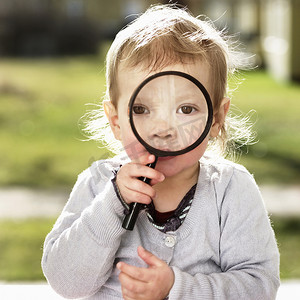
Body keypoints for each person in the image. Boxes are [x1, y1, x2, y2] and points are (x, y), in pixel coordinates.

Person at [42, 4, 280, 299]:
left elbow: (259, 286)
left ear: (216, 119)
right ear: (116, 121)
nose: (162, 130)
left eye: (186, 109)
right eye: (141, 109)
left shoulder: (231, 189)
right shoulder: (98, 184)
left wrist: (177, 287)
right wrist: (112, 204)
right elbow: (66, 283)